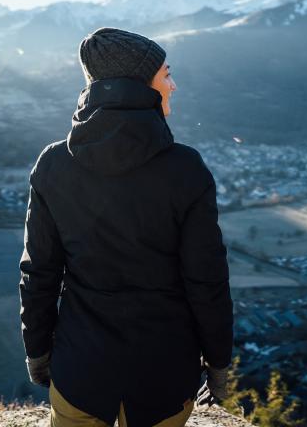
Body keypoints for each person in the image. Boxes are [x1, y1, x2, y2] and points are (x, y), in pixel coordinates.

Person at [19, 26, 234, 427]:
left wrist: (37, 350)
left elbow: (39, 273)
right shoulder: (185, 169)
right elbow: (206, 279)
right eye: (166, 74)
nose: (174, 84)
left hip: (80, 369)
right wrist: (219, 360)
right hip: (165, 374)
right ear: (141, 84)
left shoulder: (53, 165)